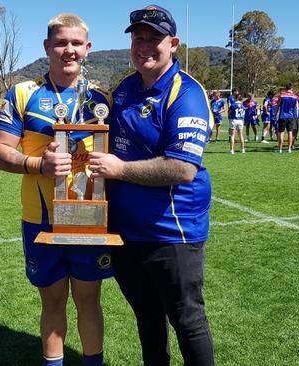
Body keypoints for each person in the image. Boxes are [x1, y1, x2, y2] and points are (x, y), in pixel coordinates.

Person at [88, 5, 214, 365]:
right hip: (127, 233)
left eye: (154, 38)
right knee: (146, 318)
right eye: (137, 38)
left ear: (172, 43)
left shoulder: (186, 93)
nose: (144, 46)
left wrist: (119, 169)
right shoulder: (125, 89)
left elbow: (182, 168)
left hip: (171, 233)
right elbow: (98, 138)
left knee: (187, 320)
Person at [0, 13, 113, 366]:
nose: (69, 50)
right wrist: (36, 164)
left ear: (87, 48)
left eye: (76, 43)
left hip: (89, 217)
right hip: (41, 219)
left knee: (89, 300)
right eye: (61, 42)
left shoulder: (102, 100)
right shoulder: (24, 93)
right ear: (47, 47)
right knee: (53, 301)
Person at [275, 83, 299, 153]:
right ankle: (289, 149)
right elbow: (295, 107)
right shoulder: (295, 97)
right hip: (291, 116)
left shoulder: (281, 96)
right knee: (290, 132)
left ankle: (280, 149)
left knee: (281, 133)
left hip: (282, 116)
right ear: (291, 89)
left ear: (286, 89)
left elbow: (278, 106)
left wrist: (275, 114)